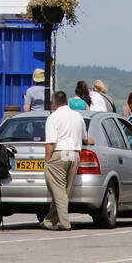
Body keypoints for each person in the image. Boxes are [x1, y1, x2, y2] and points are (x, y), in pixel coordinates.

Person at [42, 91, 93, 231]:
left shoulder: (53, 117)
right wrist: (91, 141)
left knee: (58, 191)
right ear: (66, 102)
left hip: (60, 153)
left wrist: (48, 161)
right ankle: (49, 219)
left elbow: (50, 142)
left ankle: (64, 222)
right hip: (74, 155)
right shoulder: (78, 116)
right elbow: (85, 138)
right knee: (63, 191)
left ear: (54, 103)